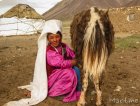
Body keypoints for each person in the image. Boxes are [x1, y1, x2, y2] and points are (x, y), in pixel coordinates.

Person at [46, 20, 81, 102]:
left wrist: (79, 57)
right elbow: (60, 63)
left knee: (77, 69)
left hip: (62, 70)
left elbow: (72, 54)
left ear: (60, 37)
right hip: (53, 74)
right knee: (69, 72)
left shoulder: (64, 46)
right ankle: (56, 93)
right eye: (51, 37)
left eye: (57, 36)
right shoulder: (49, 51)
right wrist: (73, 62)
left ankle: (77, 89)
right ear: (48, 39)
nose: (55, 40)